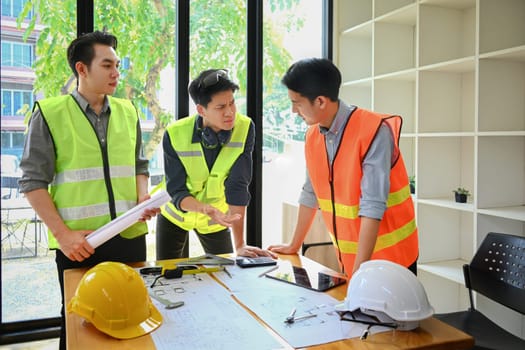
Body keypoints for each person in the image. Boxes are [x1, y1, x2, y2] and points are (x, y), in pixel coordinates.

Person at [18, 30, 158, 349]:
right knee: (81, 324)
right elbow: (32, 182)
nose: (116, 73)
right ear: (82, 69)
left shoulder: (128, 111)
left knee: (131, 316)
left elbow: (139, 165)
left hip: (129, 237)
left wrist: (142, 198)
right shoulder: (50, 114)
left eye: (118, 65)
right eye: (107, 65)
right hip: (81, 242)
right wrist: (64, 236)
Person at [268, 58, 418, 278]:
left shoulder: (374, 131)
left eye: (297, 103)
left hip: (393, 262)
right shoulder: (312, 136)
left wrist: (360, 271)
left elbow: (372, 205)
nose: (293, 111)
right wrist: (293, 245)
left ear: (320, 101)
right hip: (353, 261)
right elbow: (311, 193)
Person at [156, 69, 275, 259]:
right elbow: (177, 191)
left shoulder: (245, 128)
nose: (230, 112)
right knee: (167, 275)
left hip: (216, 220)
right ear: (201, 110)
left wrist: (240, 244)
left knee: (226, 274)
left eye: (232, 103)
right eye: (220, 107)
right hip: (175, 217)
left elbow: (238, 186)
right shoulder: (175, 133)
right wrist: (206, 209)